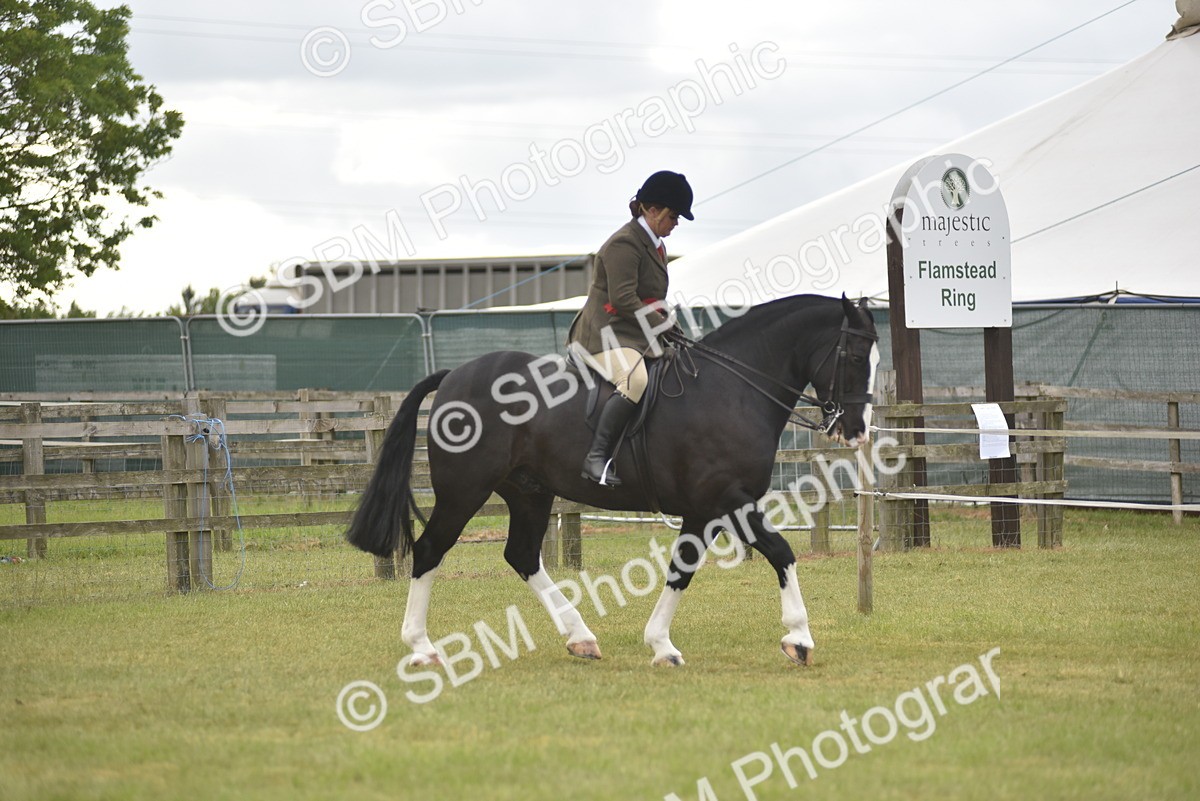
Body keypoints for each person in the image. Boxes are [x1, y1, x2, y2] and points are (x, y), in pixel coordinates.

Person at [566, 170, 694, 487]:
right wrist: (661, 323)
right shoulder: (624, 244)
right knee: (635, 379)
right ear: (652, 210)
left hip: (635, 334)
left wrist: (670, 325)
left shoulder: (655, 244)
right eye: (673, 215)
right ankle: (596, 458)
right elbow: (623, 300)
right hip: (603, 336)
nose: (675, 223)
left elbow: (652, 297)